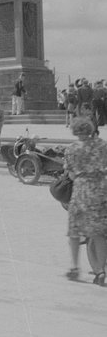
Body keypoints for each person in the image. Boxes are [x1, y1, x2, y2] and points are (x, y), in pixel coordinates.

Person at [63, 117, 107, 285]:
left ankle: (75, 267)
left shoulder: (72, 149)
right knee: (98, 233)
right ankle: (101, 271)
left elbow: (70, 174)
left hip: (81, 191)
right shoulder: (102, 145)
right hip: (100, 191)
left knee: (74, 231)